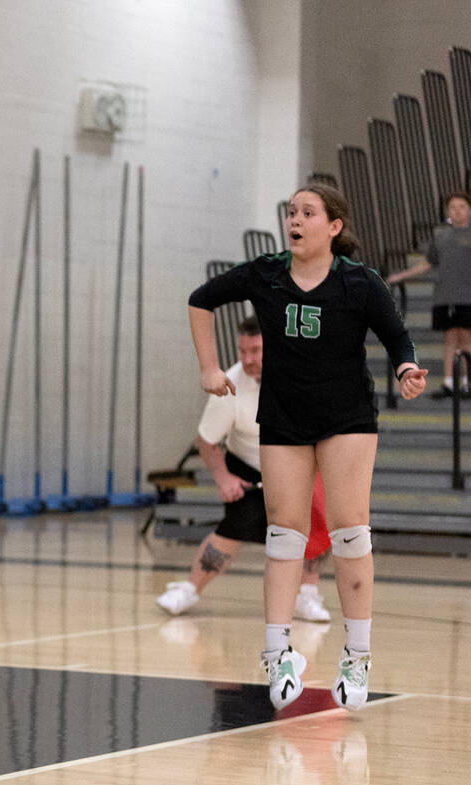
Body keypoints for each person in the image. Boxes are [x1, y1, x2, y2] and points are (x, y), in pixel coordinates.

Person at [187, 183, 427, 712]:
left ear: (333, 226)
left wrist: (408, 368)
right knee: (283, 533)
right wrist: (208, 366)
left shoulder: (358, 283)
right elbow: (201, 301)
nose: (295, 219)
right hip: (285, 419)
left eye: (307, 212)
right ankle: (278, 653)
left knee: (348, 528)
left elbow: (397, 337)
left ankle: (357, 655)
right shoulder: (267, 271)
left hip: (346, 418)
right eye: (291, 212)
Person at [157, 317, 331, 622]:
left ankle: (307, 595)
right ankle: (189, 589)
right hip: (248, 468)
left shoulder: (304, 377)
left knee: (314, 530)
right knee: (233, 528)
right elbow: (206, 441)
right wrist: (223, 479)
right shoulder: (231, 385)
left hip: (296, 469)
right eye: (243, 351)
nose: (248, 359)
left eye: (256, 350)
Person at [386, 191, 471, 398]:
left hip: (468, 295)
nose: (457, 211)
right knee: (450, 339)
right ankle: (449, 383)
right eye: (453, 207)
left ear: (468, 209)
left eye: (461, 206)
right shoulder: (441, 236)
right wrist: (400, 276)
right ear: (448, 212)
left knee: (467, 338)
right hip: (445, 296)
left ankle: (467, 384)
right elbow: (427, 263)